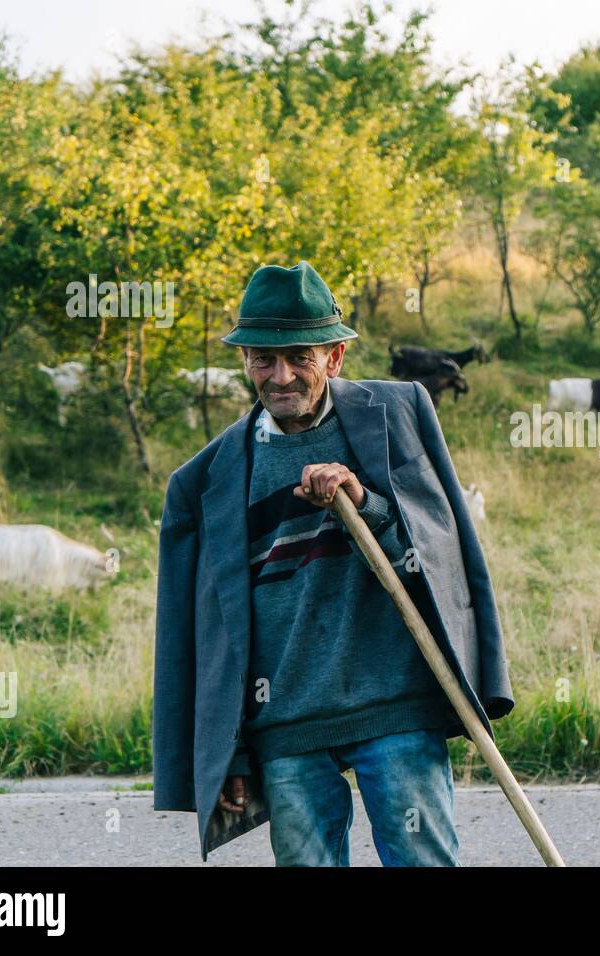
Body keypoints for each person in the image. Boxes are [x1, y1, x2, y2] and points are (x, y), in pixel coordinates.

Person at [152, 260, 513, 865]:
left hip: (394, 705)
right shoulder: (205, 479)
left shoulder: (397, 415)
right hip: (286, 724)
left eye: (300, 357)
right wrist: (232, 751)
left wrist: (365, 502)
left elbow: (437, 554)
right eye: (263, 359)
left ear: (336, 357)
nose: (281, 375)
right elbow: (205, 640)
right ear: (246, 363)